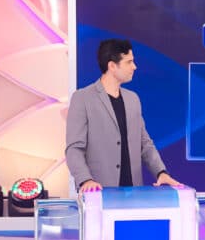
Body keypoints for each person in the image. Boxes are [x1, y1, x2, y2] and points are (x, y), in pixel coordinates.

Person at [65, 39, 180, 193]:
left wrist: (161, 172)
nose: (134, 67)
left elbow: (145, 143)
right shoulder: (82, 98)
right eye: (129, 62)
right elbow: (74, 148)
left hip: (134, 194)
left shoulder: (133, 99)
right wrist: (86, 179)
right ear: (112, 66)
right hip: (99, 194)